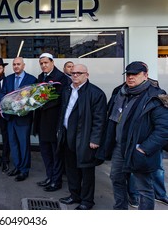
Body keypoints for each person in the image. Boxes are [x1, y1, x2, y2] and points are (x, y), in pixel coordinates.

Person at [101, 61, 168, 210]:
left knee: (144, 187)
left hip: (139, 149)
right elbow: (112, 119)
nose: (131, 77)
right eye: (128, 74)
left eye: (135, 74)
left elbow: (164, 129)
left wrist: (144, 149)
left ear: (146, 75)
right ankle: (121, 209)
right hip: (119, 146)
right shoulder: (121, 93)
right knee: (116, 179)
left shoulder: (155, 96)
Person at [57, 64, 107, 210]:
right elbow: (63, 112)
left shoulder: (96, 93)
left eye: (79, 73)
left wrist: (95, 139)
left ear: (87, 74)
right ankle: (74, 195)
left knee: (87, 171)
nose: (75, 75)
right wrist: (59, 130)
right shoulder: (67, 90)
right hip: (68, 135)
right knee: (71, 168)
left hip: (85, 138)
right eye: (73, 73)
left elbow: (100, 119)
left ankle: (87, 201)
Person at [34, 53, 70, 192]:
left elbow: (62, 101)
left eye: (46, 63)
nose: (43, 65)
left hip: (54, 122)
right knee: (45, 152)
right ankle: (50, 177)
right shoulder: (40, 77)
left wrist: (42, 102)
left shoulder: (61, 78)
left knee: (56, 153)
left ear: (52, 62)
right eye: (41, 63)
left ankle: (56, 181)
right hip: (42, 122)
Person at [0, 57, 37, 182]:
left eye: (18, 64)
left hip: (23, 119)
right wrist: (1, 103)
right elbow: (2, 94)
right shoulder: (8, 79)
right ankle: (17, 166)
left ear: (23, 65)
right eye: (14, 64)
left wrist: (24, 106)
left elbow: (34, 99)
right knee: (13, 144)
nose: (16, 66)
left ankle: (24, 170)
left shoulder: (31, 79)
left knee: (23, 145)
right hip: (10, 118)